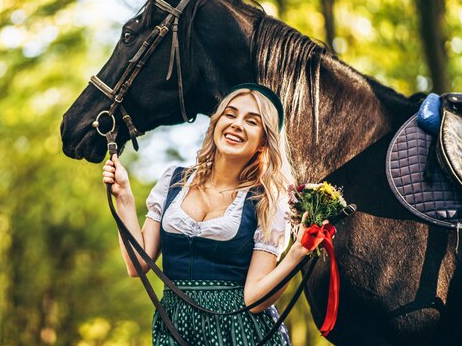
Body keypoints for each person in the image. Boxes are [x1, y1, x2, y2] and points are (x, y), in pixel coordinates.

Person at [102, 84, 316, 346]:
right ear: (216, 123)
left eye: (251, 121)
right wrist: (124, 195)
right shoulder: (173, 180)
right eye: (230, 114)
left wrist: (298, 252)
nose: (237, 124)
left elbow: (254, 300)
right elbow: (137, 264)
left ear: (263, 142)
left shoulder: (268, 201)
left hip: (242, 335)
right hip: (176, 328)